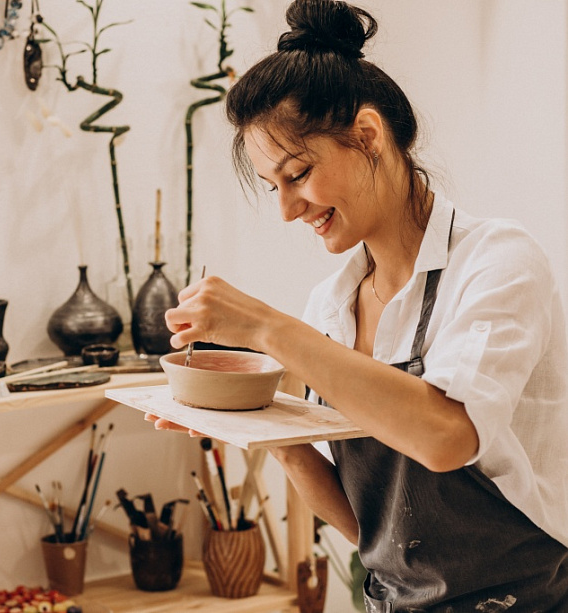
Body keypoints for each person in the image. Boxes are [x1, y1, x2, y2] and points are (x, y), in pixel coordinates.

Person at [148, 0, 568, 610]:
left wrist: (268, 328)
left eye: (298, 173)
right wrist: (267, 429)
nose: (289, 209)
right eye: (275, 188)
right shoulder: (333, 305)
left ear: (367, 136)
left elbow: (447, 435)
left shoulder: (497, 261)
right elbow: (377, 535)